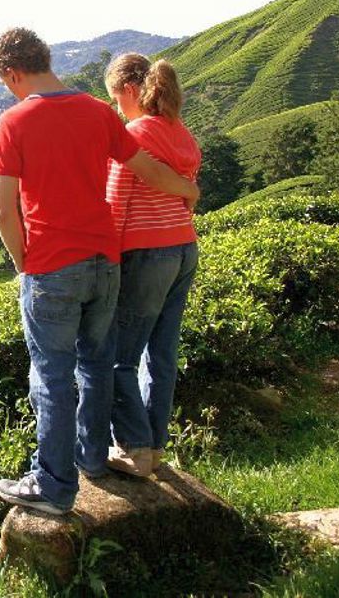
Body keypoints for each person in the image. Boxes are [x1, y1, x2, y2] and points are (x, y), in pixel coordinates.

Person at [0, 28, 200, 515]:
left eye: (6, 82)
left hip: (52, 265)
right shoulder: (99, 111)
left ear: (13, 73)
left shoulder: (14, 121)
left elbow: (4, 212)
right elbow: (147, 169)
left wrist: (26, 266)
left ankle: (54, 486)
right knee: (96, 363)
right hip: (105, 262)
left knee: (51, 378)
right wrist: (188, 191)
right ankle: (92, 459)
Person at [103, 53, 201, 478]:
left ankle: (135, 449)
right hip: (183, 247)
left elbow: (115, 203)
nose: (116, 108)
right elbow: (186, 194)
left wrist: (107, 263)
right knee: (160, 353)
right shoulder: (181, 133)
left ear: (129, 90)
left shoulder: (134, 133)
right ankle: (155, 446)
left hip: (145, 254)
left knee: (117, 357)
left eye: (115, 98)